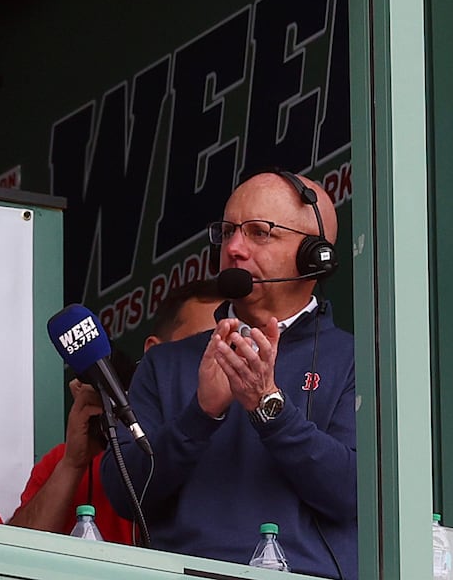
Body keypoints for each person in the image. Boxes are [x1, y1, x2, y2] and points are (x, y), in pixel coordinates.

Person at [103, 171, 356, 579]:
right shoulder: (164, 363)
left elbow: (354, 494)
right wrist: (200, 415)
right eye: (227, 232)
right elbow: (122, 492)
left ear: (314, 256)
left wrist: (269, 407)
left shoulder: (358, 362)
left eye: (259, 233)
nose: (234, 248)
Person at [8, 283, 220, 540]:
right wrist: (73, 465)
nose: (215, 361)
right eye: (200, 347)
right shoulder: (66, 460)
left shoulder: (230, 453)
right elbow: (14, 554)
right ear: (155, 352)